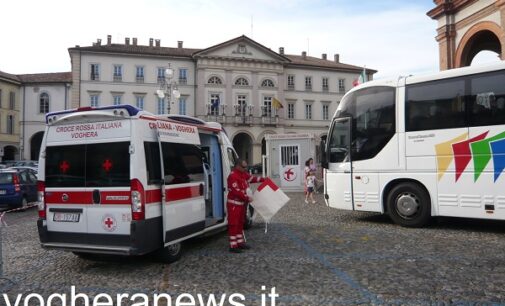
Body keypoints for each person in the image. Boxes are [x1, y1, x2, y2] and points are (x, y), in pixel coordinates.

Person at [226, 159, 265, 253]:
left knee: (240, 223)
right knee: (233, 224)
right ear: (237, 166)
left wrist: (264, 179)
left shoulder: (243, 174)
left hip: (242, 204)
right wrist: (247, 198)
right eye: (244, 167)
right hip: (234, 204)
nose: (245, 169)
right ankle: (233, 245)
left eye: (246, 167)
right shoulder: (232, 176)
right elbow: (236, 191)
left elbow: (252, 179)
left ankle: (240, 242)